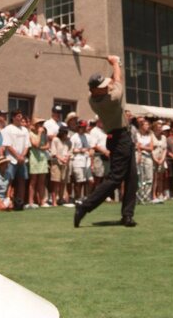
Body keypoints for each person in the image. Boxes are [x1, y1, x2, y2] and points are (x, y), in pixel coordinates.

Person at [74, 55, 138, 228]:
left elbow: (112, 80)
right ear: (95, 90)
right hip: (120, 139)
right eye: (101, 86)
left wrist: (113, 66)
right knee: (115, 179)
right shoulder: (112, 99)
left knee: (132, 178)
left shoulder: (93, 97)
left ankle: (127, 215)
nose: (105, 87)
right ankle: (84, 206)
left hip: (122, 137)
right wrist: (116, 63)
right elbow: (117, 80)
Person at [1, 110, 30, 208]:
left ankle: (20, 202)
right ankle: (8, 201)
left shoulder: (25, 130)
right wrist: (17, 157)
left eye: (21, 116)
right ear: (13, 117)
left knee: (22, 180)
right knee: (9, 180)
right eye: (18, 116)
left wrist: (22, 156)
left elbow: (27, 145)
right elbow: (8, 145)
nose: (20, 118)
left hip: (22, 160)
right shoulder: (7, 129)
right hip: (11, 160)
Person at [27, 118, 50, 208]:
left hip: (42, 158)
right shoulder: (31, 134)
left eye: (41, 123)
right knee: (33, 181)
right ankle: (31, 202)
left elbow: (47, 145)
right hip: (34, 158)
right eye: (39, 124)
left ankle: (42, 201)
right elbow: (35, 144)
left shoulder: (44, 134)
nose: (41, 125)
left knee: (42, 181)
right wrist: (40, 134)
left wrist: (42, 147)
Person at [49, 126, 73, 206]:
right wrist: (61, 159)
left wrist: (67, 158)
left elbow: (70, 151)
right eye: (65, 132)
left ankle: (61, 199)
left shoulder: (68, 141)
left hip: (65, 164)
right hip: (56, 164)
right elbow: (53, 153)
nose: (66, 134)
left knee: (63, 182)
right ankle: (54, 201)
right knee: (56, 182)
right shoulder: (55, 140)